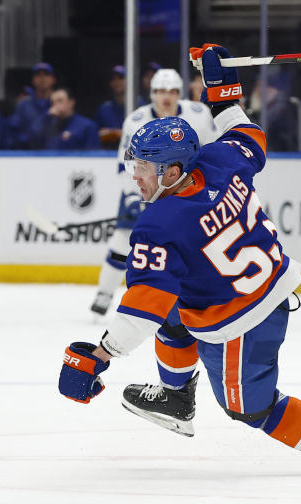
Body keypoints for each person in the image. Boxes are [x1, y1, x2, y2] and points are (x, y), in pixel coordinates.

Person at [58, 44, 301, 473]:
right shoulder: (218, 160)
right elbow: (248, 134)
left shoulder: (159, 223)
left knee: (250, 410)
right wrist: (222, 89)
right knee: (175, 305)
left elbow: (143, 304)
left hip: (243, 319)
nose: (136, 174)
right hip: (265, 286)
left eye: (144, 166)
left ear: (171, 172)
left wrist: (101, 354)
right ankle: (177, 397)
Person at [90, 68, 217, 317]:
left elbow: (211, 152)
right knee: (121, 244)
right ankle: (104, 293)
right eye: (160, 91)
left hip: (185, 192)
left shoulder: (199, 115)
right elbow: (124, 165)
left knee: (194, 246)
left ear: (179, 94)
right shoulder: (136, 121)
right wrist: (136, 195)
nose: (166, 97)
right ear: (152, 93)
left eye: (172, 91)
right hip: (144, 190)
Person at [29, 84, 99, 150]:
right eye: (53, 102)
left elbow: (93, 156)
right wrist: (46, 118)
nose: (55, 105)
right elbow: (32, 140)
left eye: (60, 101)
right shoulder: (48, 124)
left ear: (71, 102)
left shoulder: (87, 126)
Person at [5, 62, 56, 149]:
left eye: (46, 75)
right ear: (33, 80)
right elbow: (15, 134)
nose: (42, 79)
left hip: (57, 155)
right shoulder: (24, 105)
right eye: (38, 75)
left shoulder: (59, 102)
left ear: (53, 79)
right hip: (30, 154)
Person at [95, 65, 127, 149]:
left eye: (121, 78)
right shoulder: (104, 109)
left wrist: (118, 133)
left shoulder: (140, 106)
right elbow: (96, 135)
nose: (116, 82)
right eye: (113, 79)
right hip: (109, 153)